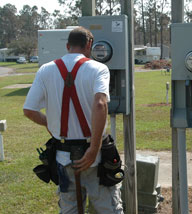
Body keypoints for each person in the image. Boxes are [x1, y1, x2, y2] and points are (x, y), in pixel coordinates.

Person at [23, 27, 123, 214]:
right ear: (89, 45)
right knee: (109, 209)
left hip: (64, 157)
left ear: (68, 46)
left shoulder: (46, 70)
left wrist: (52, 124)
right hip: (95, 158)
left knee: (69, 210)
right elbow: (100, 104)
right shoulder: (98, 68)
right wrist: (93, 149)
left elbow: (29, 110)